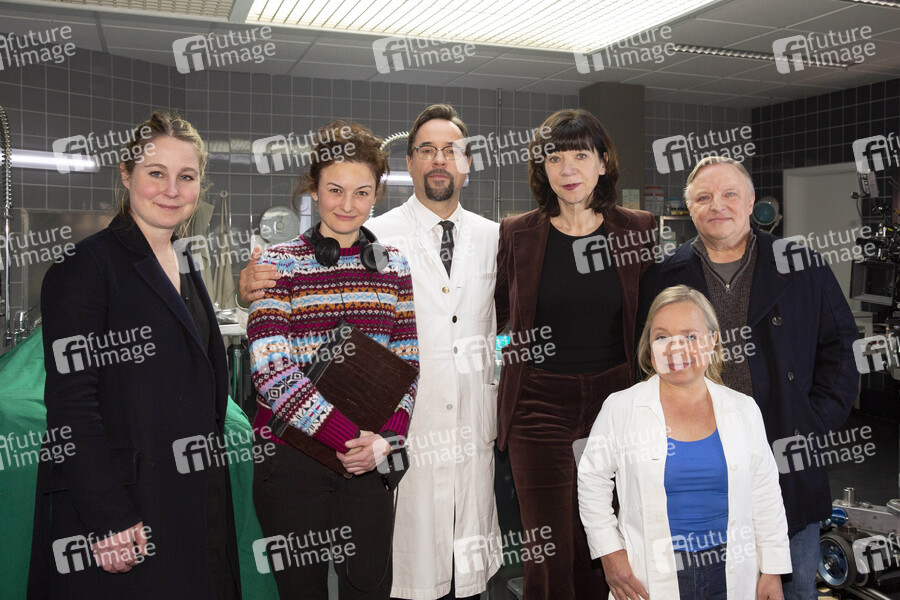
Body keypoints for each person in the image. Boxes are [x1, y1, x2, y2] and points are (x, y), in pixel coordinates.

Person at [29, 112, 242, 598]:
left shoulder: (184, 260)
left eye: (186, 177)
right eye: (156, 173)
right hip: (124, 508)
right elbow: (71, 406)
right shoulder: (85, 267)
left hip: (189, 497)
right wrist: (108, 517)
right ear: (126, 175)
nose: (172, 190)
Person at [638, 156, 859, 600]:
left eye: (730, 194)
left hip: (786, 454)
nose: (717, 205)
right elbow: (645, 360)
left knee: (793, 588)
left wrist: (814, 420)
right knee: (709, 586)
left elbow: (842, 347)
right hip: (700, 459)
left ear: (752, 200)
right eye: (704, 197)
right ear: (690, 208)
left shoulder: (800, 264)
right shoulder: (663, 276)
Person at [247, 121, 418, 600]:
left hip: (369, 456)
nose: (347, 205)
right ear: (313, 188)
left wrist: (386, 440)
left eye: (362, 192)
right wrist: (347, 437)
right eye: (335, 190)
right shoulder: (277, 264)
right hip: (293, 458)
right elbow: (272, 374)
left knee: (369, 588)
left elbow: (408, 365)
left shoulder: (395, 266)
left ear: (376, 194)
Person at [494, 108, 657, 600]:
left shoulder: (637, 229)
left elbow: (651, 315)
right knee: (548, 546)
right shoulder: (517, 233)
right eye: (555, 158)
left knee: (603, 537)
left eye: (580, 156)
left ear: (603, 163)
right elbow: (501, 314)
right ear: (541, 169)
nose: (568, 170)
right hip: (538, 403)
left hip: (615, 399)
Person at [578, 284, 791, 600]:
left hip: (731, 570)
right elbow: (591, 481)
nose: (675, 348)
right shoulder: (620, 408)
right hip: (649, 574)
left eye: (690, 336)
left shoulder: (743, 409)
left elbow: (765, 493)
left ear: (712, 340)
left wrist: (772, 570)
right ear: (650, 345)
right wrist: (610, 553)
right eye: (662, 336)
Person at [366, 104, 502, 600]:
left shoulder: (495, 237)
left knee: (468, 582)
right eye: (427, 150)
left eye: (451, 150)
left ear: (467, 164)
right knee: (411, 576)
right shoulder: (377, 236)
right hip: (410, 430)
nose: (440, 159)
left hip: (472, 427)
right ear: (410, 162)